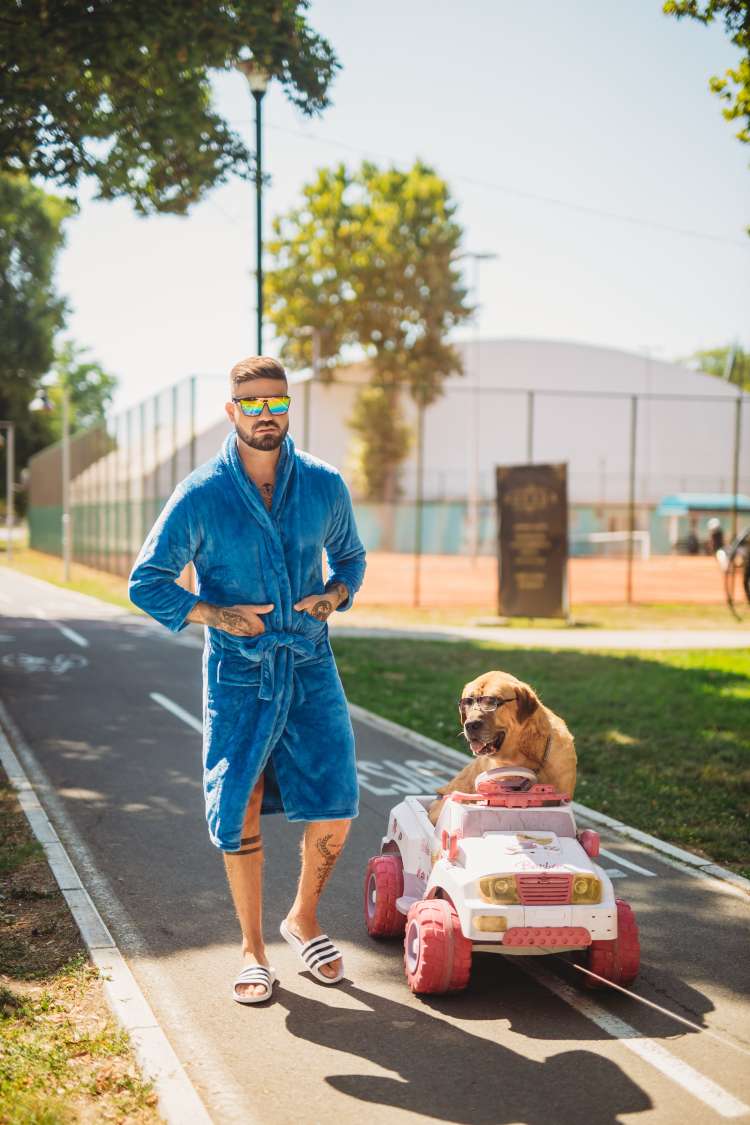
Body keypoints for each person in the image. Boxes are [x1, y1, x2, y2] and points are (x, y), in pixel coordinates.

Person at [129, 356, 366, 1003]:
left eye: (277, 403)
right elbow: (147, 581)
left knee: (338, 801)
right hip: (239, 674)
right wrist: (214, 614)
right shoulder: (203, 493)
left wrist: (337, 592)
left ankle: (304, 916)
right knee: (241, 803)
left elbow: (350, 554)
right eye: (252, 403)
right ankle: (253, 947)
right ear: (232, 411)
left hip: (311, 663)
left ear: (289, 407)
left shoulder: (322, 483)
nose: (266, 414)